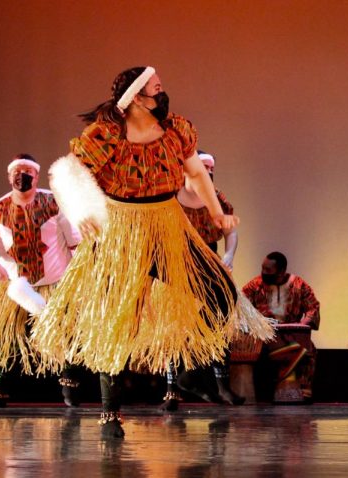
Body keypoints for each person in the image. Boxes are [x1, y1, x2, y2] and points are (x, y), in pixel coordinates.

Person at [31, 66, 273, 438]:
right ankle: (110, 413)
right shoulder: (106, 133)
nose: (162, 95)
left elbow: (195, 174)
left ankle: (192, 371)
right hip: (122, 233)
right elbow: (68, 174)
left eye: (162, 89)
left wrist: (217, 213)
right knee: (115, 323)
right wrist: (82, 211)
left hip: (167, 225)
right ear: (134, 99)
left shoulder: (176, 129)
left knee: (221, 295)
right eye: (155, 90)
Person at [0, 154, 82, 408]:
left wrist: (76, 276)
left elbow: (75, 240)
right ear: (9, 177)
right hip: (15, 284)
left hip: (56, 282)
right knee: (1, 337)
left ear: (36, 176)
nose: (22, 176)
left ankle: (69, 386)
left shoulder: (55, 203)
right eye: (17, 171)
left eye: (27, 171)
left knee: (66, 333)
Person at [160, 150, 245, 411]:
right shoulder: (170, 196)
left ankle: (221, 387)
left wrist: (229, 254)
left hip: (210, 263)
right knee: (173, 328)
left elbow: (230, 232)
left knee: (219, 322)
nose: (208, 171)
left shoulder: (216, 197)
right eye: (203, 166)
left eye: (211, 167)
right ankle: (172, 390)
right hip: (176, 265)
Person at [243, 252, 321, 402]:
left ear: (281, 270)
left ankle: (302, 390)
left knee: (309, 349)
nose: (264, 272)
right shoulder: (255, 285)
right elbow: (241, 305)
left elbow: (313, 307)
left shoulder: (298, 284)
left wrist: (302, 326)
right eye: (263, 268)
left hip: (291, 334)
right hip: (264, 336)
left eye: (268, 270)